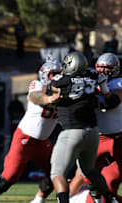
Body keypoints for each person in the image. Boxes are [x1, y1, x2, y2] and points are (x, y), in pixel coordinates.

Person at [0, 56, 62, 203]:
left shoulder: (64, 91)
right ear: (45, 75)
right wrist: (50, 99)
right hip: (24, 139)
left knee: (56, 173)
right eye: (53, 73)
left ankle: (38, 200)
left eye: (59, 73)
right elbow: (35, 97)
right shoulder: (37, 84)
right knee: (10, 176)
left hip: (43, 142)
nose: (56, 77)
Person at [47, 51, 117, 203]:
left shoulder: (60, 80)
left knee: (57, 174)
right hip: (93, 133)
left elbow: (49, 91)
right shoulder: (94, 77)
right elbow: (111, 100)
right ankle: (110, 199)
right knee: (90, 171)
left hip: (72, 131)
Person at [66, 52, 122, 202]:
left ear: (115, 69)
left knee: (111, 180)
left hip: (119, 136)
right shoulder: (90, 81)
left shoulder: (118, 82)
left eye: (108, 68)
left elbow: (114, 100)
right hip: (99, 136)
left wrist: (98, 92)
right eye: (100, 68)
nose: (103, 71)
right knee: (85, 172)